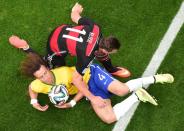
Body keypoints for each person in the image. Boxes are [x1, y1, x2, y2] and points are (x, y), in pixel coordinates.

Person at [9, 3, 131, 108]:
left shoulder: (96, 28)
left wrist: (75, 10)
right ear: (106, 49)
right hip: (55, 44)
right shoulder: (86, 56)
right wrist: (92, 98)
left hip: (62, 29)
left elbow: (75, 17)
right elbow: (76, 79)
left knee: (99, 55)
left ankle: (111, 69)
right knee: (48, 68)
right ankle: (26, 47)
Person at [22, 53, 174, 124]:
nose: (45, 77)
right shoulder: (38, 84)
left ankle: (154, 78)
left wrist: (72, 103)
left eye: (45, 73)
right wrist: (34, 102)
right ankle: (138, 96)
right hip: (88, 88)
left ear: (48, 68)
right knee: (109, 118)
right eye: (41, 77)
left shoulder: (65, 73)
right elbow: (32, 88)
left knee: (122, 90)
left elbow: (81, 86)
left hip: (90, 74)